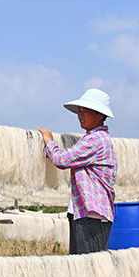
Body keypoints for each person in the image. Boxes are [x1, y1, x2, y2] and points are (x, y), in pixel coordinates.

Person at [39, 88, 117, 255]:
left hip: (91, 216)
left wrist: (49, 141)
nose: (80, 115)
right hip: (84, 212)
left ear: (100, 115)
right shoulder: (92, 139)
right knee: (81, 266)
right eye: (79, 111)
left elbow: (61, 160)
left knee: (89, 268)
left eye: (85, 111)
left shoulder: (95, 140)